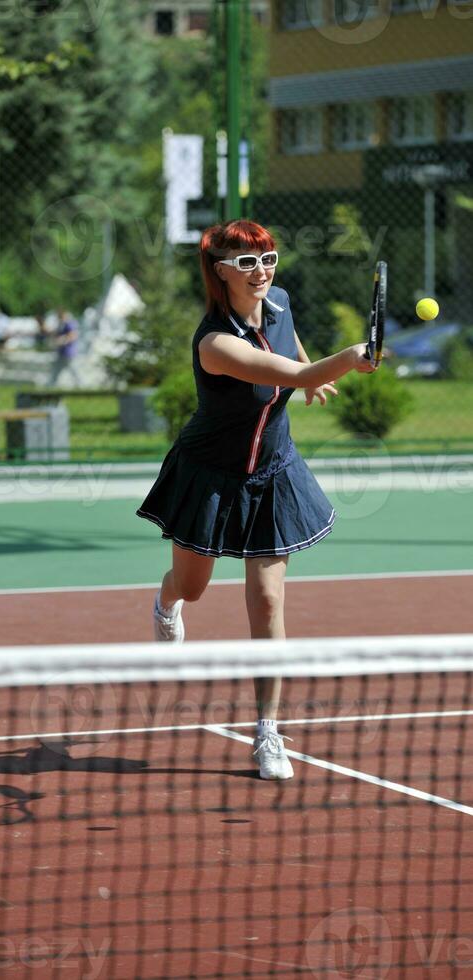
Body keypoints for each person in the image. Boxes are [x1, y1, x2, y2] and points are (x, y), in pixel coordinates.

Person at [136, 220, 376, 781]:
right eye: (246, 263)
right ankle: (165, 601)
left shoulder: (280, 300)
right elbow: (294, 369)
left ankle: (267, 731)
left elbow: (293, 350)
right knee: (193, 587)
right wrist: (337, 363)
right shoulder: (215, 344)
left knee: (267, 600)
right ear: (220, 270)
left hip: (273, 470)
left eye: (268, 258)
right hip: (212, 475)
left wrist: (311, 375)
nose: (261, 271)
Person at [48, 309, 82, 387]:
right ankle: (51, 385)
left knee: (73, 370)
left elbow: (73, 336)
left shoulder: (69, 324)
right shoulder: (61, 325)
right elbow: (55, 334)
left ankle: (80, 385)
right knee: (57, 370)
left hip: (68, 353)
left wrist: (61, 340)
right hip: (62, 353)